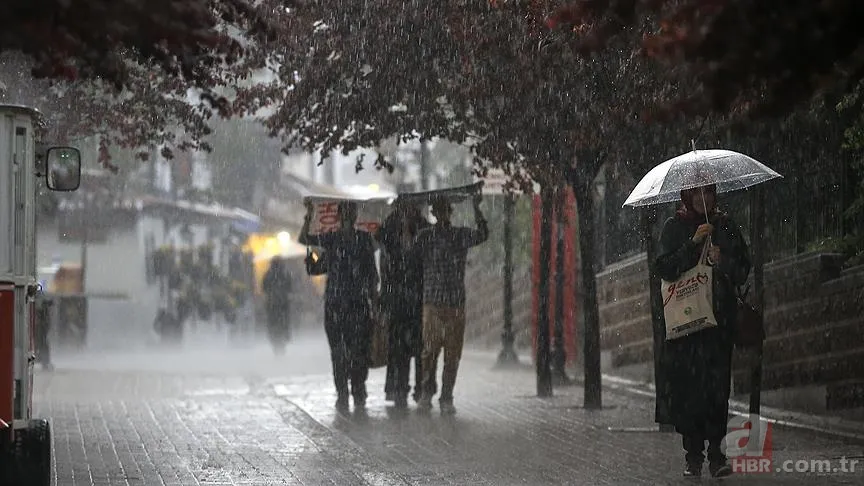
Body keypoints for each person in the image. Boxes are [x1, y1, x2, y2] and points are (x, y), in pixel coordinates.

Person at [655, 184, 751, 478]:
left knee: (717, 390)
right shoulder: (675, 227)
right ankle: (693, 455)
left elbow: (743, 268)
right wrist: (692, 245)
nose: (702, 198)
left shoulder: (724, 225)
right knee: (690, 391)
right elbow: (665, 267)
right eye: (696, 194)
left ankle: (717, 454)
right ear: (687, 197)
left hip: (717, 325)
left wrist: (724, 261)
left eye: (707, 192)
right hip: (686, 327)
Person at [299, 201, 379, 411]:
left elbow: (371, 274)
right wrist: (309, 215)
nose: (347, 217)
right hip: (336, 305)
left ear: (354, 216)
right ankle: (343, 391)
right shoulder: (331, 239)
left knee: (359, 350)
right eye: (344, 213)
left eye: (350, 213)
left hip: (358, 304)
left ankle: (358, 389)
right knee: (338, 352)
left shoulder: (363, 240)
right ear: (339, 216)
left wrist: (374, 299)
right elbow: (305, 239)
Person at [413, 193, 488, 415]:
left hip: (455, 301)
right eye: (438, 210)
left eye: (445, 209)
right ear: (434, 213)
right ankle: (427, 392)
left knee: (452, 353)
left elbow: (483, 234)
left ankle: (447, 396)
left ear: (449, 212)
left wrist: (477, 208)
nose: (442, 213)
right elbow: (410, 257)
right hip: (433, 301)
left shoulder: (460, 235)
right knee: (430, 351)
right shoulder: (425, 236)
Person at [376, 200, 434, 408]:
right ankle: (399, 388)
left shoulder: (423, 229)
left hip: (418, 298)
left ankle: (421, 388)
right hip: (397, 299)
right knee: (398, 348)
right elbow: (380, 238)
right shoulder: (390, 229)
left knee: (420, 347)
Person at [262, 256, 293, 354]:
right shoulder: (286, 273)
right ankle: (282, 342)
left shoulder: (268, 274)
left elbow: (264, 288)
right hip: (283, 304)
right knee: (283, 324)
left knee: (273, 324)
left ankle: (275, 343)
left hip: (272, 304)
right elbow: (290, 287)